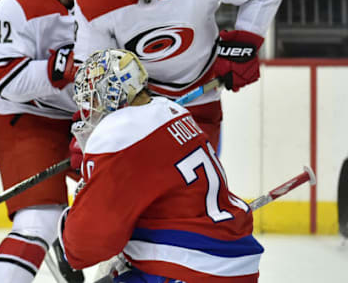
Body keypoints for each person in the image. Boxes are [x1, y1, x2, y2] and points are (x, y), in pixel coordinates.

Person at [73, 0, 284, 153]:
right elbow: (93, 73)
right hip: (135, 111)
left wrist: (244, 44)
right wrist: (91, 132)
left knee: (193, 187)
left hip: (199, 102)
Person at [58, 49, 263, 282]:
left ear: (112, 94)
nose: (88, 109)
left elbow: (85, 247)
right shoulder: (172, 110)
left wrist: (69, 222)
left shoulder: (116, 133)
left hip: (192, 270)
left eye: (92, 98)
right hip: (232, 262)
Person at [0, 0, 100, 283]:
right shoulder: (17, 5)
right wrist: (55, 67)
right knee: (37, 220)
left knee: (129, 207)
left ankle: (66, 234)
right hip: (29, 119)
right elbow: (3, 77)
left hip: (90, 121)